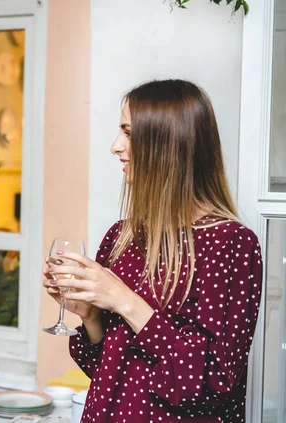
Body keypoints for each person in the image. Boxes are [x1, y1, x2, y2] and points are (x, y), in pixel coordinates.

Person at [43, 79, 262, 423]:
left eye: (128, 133)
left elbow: (213, 387)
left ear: (167, 144)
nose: (116, 146)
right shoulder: (121, 236)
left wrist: (125, 301)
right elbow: (103, 368)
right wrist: (89, 315)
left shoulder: (230, 243)